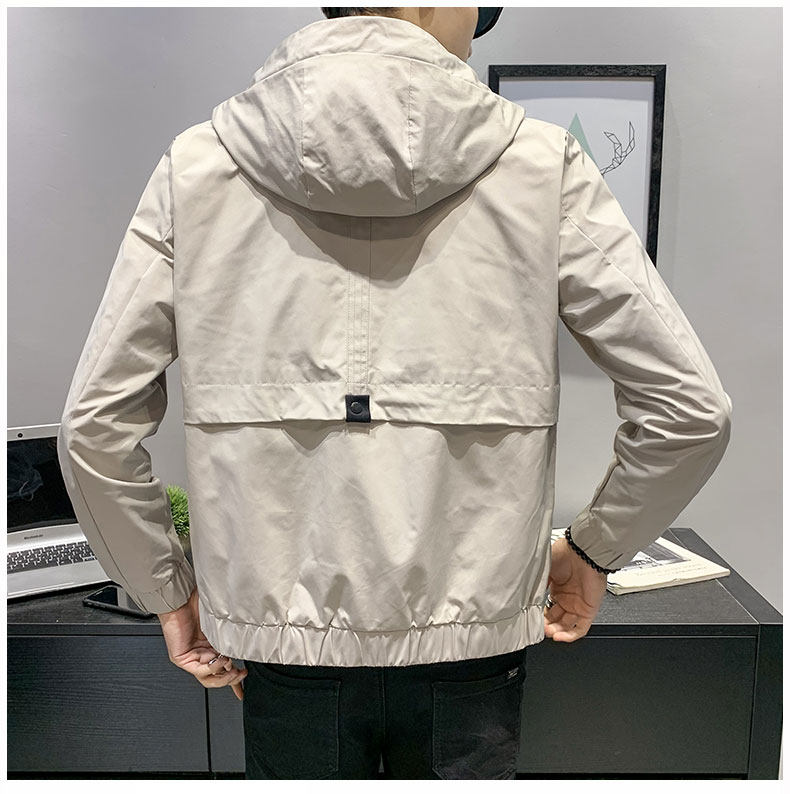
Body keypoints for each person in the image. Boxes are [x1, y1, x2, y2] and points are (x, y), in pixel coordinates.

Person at [56, 5, 733, 780]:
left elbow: (93, 429)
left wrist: (167, 593)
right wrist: (592, 548)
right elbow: (691, 411)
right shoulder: (543, 165)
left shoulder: (197, 167)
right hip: (472, 648)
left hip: (285, 652)